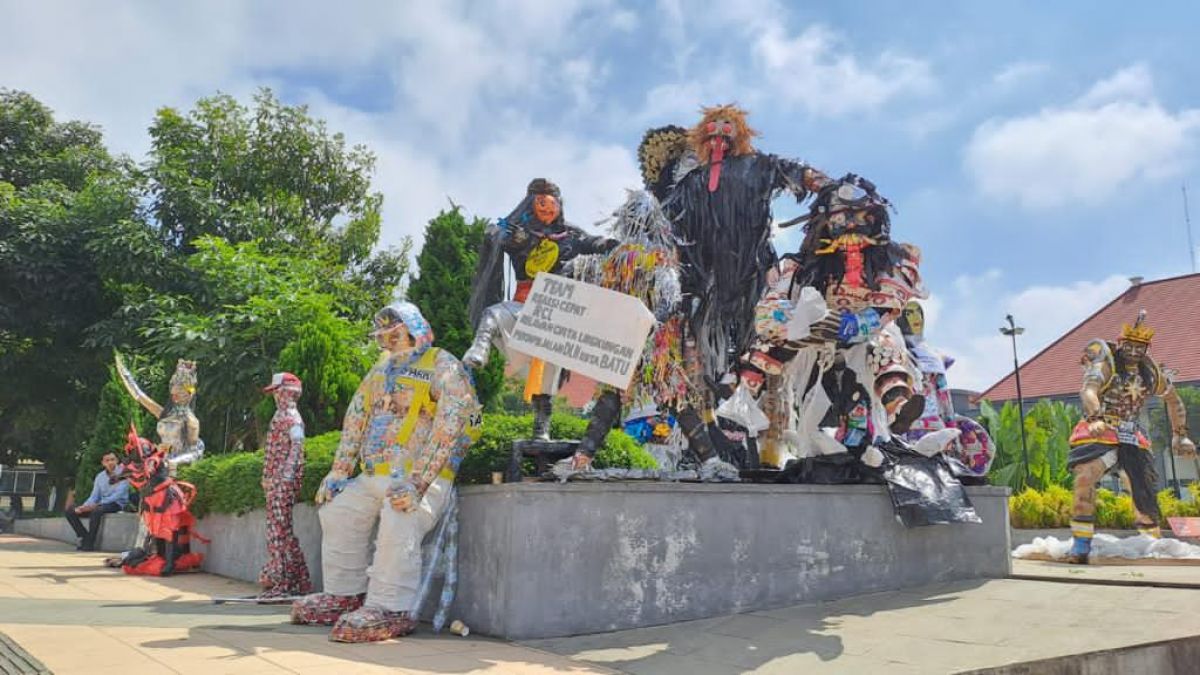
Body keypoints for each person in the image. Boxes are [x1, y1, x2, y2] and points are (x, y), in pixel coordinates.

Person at [292, 301, 481, 642]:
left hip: (419, 478)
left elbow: (452, 423)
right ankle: (344, 594)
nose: (387, 342)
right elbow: (356, 416)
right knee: (338, 511)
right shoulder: (380, 370)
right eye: (382, 336)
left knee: (399, 517)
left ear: (413, 329)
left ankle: (391, 607)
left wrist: (419, 482)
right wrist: (339, 471)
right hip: (373, 473)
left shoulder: (442, 364)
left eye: (393, 334)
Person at [1066, 311, 1196, 563]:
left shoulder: (1151, 374)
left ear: (1146, 349)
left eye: (1140, 347)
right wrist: (1095, 418)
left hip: (1132, 434)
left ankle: (1153, 543)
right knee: (1085, 478)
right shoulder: (1106, 366)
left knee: (1142, 491)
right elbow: (1088, 391)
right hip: (1102, 429)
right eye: (1130, 346)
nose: (1134, 352)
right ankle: (1081, 546)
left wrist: (1180, 436)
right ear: (1121, 344)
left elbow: (1174, 400)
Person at [258, 372, 312, 600]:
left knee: (278, 532)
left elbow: (297, 446)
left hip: (281, 482)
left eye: (278, 392)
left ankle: (283, 583)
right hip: (276, 482)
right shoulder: (282, 415)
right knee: (281, 531)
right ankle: (299, 580)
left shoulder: (291, 417)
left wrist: (284, 477)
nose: (276, 396)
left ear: (288, 392)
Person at [65, 452, 129, 551]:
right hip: (100, 504)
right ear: (103, 463)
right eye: (107, 460)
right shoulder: (100, 477)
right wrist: (84, 507)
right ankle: (85, 537)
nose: (110, 462)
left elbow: (118, 495)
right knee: (70, 511)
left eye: (112, 459)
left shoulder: (123, 474)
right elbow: (94, 496)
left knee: (96, 511)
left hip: (116, 504)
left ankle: (89, 543)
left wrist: (96, 505)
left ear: (117, 461)